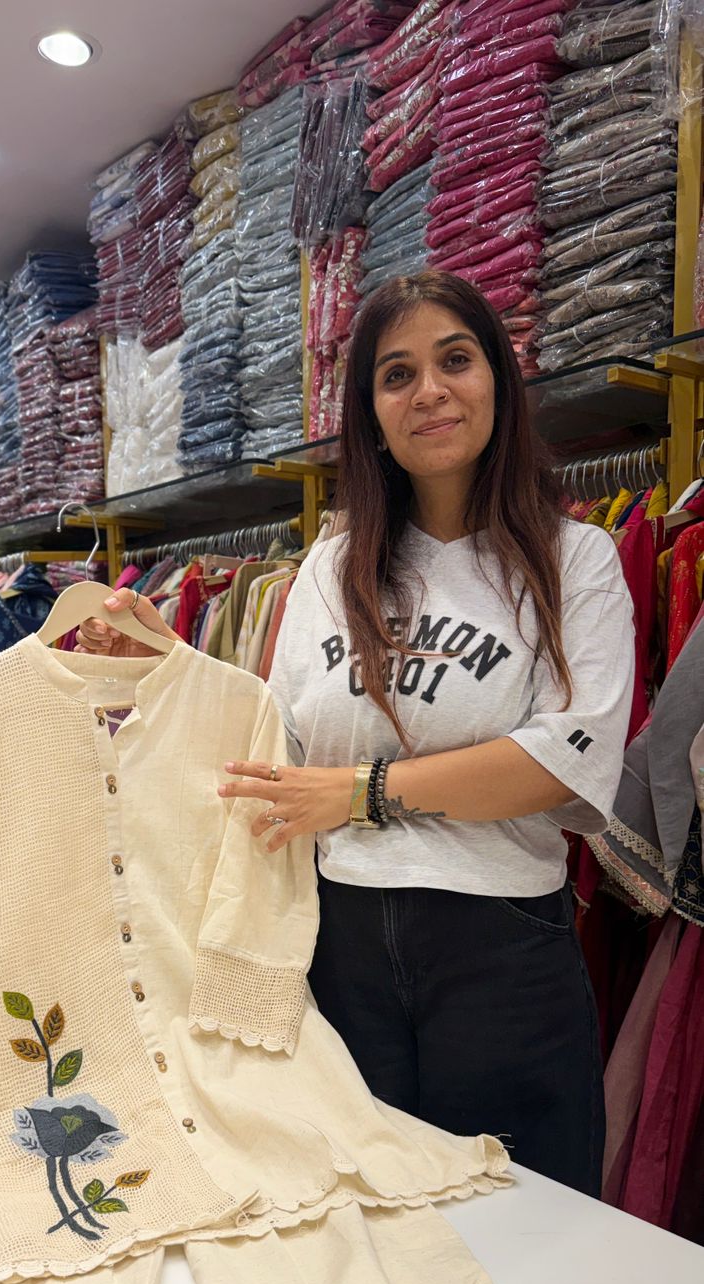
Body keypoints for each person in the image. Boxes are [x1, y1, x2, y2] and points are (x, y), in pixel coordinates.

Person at [78, 272, 634, 1197]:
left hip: (499, 949)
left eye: (455, 360)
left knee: (526, 1221)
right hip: (339, 946)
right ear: (371, 414)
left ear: (496, 377)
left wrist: (363, 792)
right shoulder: (332, 568)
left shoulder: (575, 559)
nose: (430, 391)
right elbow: (279, 744)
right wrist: (162, 666)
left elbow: (564, 760)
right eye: (396, 374)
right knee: (366, 1219)